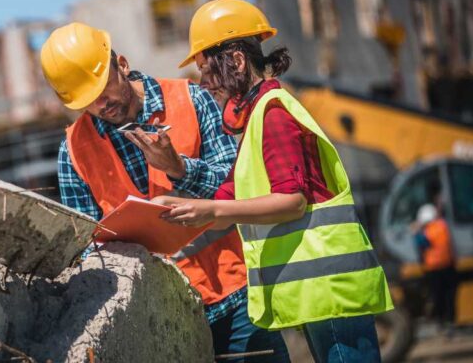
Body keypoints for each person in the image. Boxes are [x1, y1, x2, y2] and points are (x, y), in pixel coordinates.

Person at [153, 0, 394, 362]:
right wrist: (169, 205)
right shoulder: (255, 119)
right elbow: (227, 198)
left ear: (235, 60)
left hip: (331, 290)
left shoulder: (274, 114)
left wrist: (211, 207)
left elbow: (292, 201)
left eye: (206, 69)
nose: (203, 83)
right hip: (319, 292)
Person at [41, 22, 289, 360]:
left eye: (104, 88)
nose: (102, 103)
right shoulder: (74, 151)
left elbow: (240, 189)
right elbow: (84, 250)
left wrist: (179, 168)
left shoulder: (191, 99)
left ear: (122, 65)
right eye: (88, 99)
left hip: (235, 301)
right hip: (157, 324)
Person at [413, 203, 457, 330]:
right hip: (448, 265)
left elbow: (422, 244)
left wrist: (416, 232)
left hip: (433, 269)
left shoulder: (427, 231)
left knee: (438, 296)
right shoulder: (443, 225)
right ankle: (450, 322)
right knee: (449, 296)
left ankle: (441, 321)